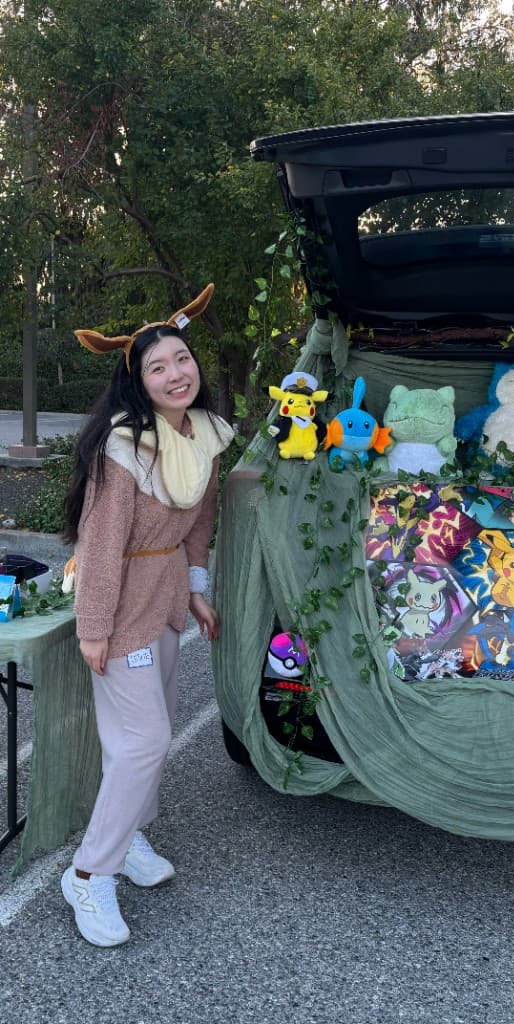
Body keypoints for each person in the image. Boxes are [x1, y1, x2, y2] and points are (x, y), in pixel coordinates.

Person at [59, 284, 233, 947]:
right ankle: (88, 872)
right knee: (144, 741)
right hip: (120, 599)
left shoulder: (203, 437)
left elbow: (199, 526)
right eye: (157, 367)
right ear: (138, 380)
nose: (174, 374)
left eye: (182, 360)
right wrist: (93, 628)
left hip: (163, 595)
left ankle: (129, 838)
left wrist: (195, 589)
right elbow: (100, 544)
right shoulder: (123, 446)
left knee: (138, 734)